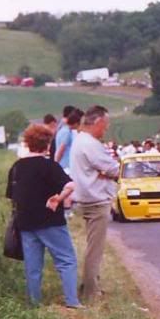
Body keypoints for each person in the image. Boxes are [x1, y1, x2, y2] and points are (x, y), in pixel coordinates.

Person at [7, 124, 81, 308]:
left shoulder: (16, 167)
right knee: (66, 260)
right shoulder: (50, 166)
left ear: (28, 143)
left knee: (32, 267)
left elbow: (12, 196)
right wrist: (59, 198)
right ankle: (72, 301)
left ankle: (34, 303)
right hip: (51, 221)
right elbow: (70, 185)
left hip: (25, 223)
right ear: (47, 144)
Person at [70, 105, 118, 303]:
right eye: (105, 125)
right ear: (98, 122)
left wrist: (103, 172)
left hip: (86, 197)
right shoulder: (91, 144)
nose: (106, 129)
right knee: (95, 249)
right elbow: (114, 169)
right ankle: (91, 291)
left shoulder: (80, 140)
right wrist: (106, 173)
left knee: (93, 245)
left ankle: (89, 285)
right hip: (96, 199)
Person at [54, 108, 83, 174]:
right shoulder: (67, 132)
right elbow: (61, 150)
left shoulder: (62, 129)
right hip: (66, 167)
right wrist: (55, 165)